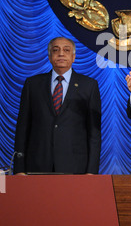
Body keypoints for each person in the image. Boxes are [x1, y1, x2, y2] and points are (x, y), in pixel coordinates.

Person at [13, 37, 101, 174]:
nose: (61, 54)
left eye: (66, 50)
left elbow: (94, 133)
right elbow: (22, 128)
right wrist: (19, 169)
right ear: (49, 56)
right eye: (56, 50)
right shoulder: (32, 85)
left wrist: (92, 171)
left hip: (75, 167)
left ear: (73, 57)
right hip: (37, 165)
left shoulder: (89, 86)